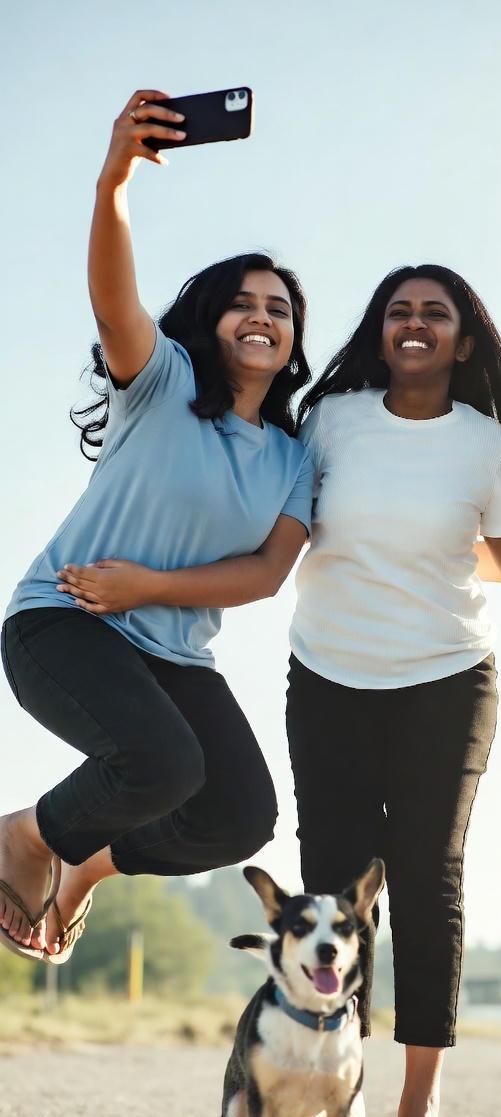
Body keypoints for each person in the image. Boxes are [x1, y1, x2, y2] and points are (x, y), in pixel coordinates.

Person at [55, 264, 501, 1116]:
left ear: (465, 340)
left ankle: (418, 1098)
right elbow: (250, 517)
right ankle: (343, 1082)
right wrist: (141, 568)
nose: (414, 324)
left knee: (426, 876)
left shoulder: (487, 445)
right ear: (378, 330)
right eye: (398, 311)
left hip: (447, 681)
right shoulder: (330, 422)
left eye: (434, 314)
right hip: (329, 677)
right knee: (330, 883)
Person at [0, 90, 314, 965]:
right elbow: (113, 302)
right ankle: (26, 837)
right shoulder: (162, 380)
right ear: (210, 321)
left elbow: (263, 574)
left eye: (280, 308)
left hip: (169, 648)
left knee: (241, 813)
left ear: (292, 340)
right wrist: (114, 183)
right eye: (243, 302)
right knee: (165, 763)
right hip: (64, 621)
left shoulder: (295, 456)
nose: (262, 315)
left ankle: (83, 866)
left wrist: (149, 587)